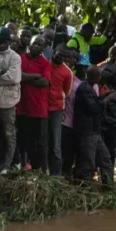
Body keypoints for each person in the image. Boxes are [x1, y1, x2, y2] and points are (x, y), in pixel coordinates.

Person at [73, 66, 116, 183]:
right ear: (90, 76)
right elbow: (93, 108)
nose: (99, 78)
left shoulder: (91, 87)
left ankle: (108, 187)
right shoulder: (85, 88)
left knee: (105, 159)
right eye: (97, 76)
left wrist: (106, 95)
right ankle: (84, 188)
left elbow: (95, 101)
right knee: (88, 163)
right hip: (87, 131)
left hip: (94, 131)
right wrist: (108, 99)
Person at [0, 27, 21, 174]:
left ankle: (7, 166)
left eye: (2, 42)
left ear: (8, 42)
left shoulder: (15, 57)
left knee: (9, 135)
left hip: (9, 103)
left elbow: (14, 78)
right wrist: (0, 74)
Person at [18, 35, 51, 171]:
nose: (36, 46)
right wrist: (36, 76)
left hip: (39, 109)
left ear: (43, 48)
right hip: (22, 107)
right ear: (29, 44)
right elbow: (18, 76)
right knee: (24, 140)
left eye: (40, 45)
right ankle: (23, 166)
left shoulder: (45, 63)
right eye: (34, 43)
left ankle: (42, 169)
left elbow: (45, 82)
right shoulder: (21, 59)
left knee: (41, 142)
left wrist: (25, 78)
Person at [47, 47, 73, 175]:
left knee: (56, 142)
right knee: (42, 139)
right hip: (42, 106)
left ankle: (56, 174)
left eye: (64, 57)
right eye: (60, 55)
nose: (61, 58)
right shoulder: (46, 65)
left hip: (56, 109)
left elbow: (66, 91)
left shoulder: (67, 72)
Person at [61, 57, 85, 177]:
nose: (84, 70)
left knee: (77, 154)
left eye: (86, 67)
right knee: (66, 153)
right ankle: (64, 174)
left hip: (81, 126)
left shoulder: (93, 84)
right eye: (82, 67)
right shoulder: (72, 80)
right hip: (67, 122)